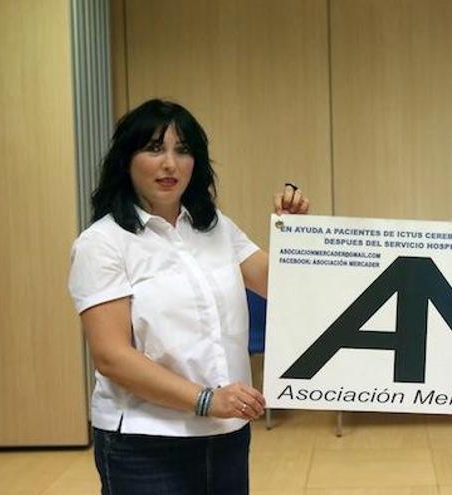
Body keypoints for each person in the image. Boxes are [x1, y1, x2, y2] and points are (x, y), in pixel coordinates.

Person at [68, 98, 309, 494]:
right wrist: (205, 400)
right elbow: (111, 356)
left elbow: (279, 285)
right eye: (154, 148)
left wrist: (296, 237)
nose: (170, 164)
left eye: (183, 150)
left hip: (225, 432)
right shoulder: (102, 243)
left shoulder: (214, 227)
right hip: (146, 442)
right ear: (125, 160)